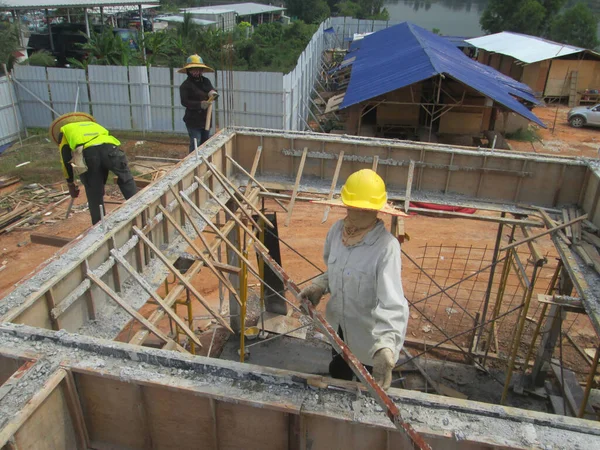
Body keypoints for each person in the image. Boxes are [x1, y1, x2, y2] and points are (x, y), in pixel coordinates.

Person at [300, 169, 409, 391]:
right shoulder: (337, 232)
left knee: (367, 390)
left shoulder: (386, 247)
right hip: (338, 328)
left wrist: (387, 347)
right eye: (352, 206)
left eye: (364, 209)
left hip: (368, 339)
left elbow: (393, 304)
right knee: (338, 373)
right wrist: (321, 285)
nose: (356, 213)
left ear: (377, 211)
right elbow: (334, 268)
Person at [49, 112, 137, 225]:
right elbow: (102, 145)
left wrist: (70, 183)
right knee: (126, 180)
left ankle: (100, 227)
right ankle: (139, 209)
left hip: (89, 155)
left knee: (94, 192)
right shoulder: (93, 125)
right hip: (111, 149)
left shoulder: (65, 131)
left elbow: (65, 160)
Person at [178, 54, 218, 153]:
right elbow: (185, 102)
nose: (197, 72)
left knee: (205, 144)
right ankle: (193, 165)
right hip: (193, 121)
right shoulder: (185, 86)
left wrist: (212, 93)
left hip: (205, 120)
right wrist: (199, 104)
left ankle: (204, 165)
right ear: (189, 71)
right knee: (196, 144)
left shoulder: (205, 81)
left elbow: (211, 90)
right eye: (194, 69)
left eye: (199, 69)